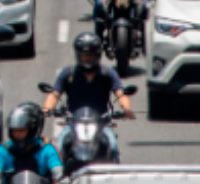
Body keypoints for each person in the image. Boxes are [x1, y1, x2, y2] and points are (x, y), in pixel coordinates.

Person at [42, 32, 133, 162]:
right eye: (84, 56)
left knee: (112, 147)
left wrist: (126, 108)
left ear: (98, 55)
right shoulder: (69, 73)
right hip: (73, 124)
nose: (88, 59)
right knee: (59, 147)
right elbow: (55, 94)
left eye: (91, 55)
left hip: (101, 125)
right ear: (78, 55)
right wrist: (47, 109)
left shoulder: (107, 73)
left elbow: (120, 93)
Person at [0, 103, 65, 184]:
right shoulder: (2, 150)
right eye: (14, 131)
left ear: (32, 130)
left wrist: (61, 180)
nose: (17, 135)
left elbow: (58, 173)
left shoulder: (47, 149)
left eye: (21, 131)